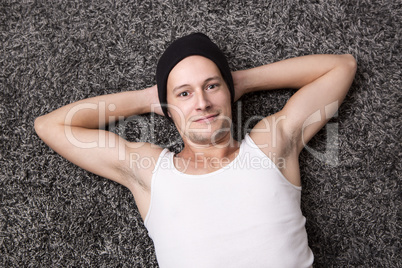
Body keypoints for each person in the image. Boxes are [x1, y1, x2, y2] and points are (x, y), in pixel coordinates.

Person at [35, 33, 356, 267]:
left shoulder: (270, 146)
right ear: (168, 107)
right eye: (184, 93)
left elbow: (342, 67)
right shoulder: (150, 171)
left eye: (211, 86)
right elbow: (51, 126)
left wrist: (241, 81)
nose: (202, 102)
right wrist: (148, 99)